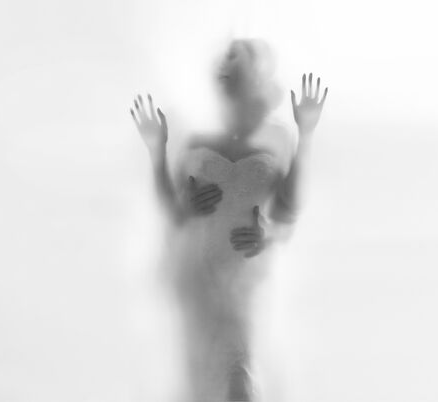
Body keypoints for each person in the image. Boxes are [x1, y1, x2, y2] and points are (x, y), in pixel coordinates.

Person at [130, 38, 328, 402]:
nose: (226, 67)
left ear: (257, 80)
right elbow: (174, 211)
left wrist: (307, 135)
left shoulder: (277, 137)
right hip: (198, 277)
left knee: (241, 379)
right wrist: (156, 152)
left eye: (237, 63)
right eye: (225, 66)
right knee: (203, 382)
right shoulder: (195, 140)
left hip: (246, 281)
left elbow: (287, 212)